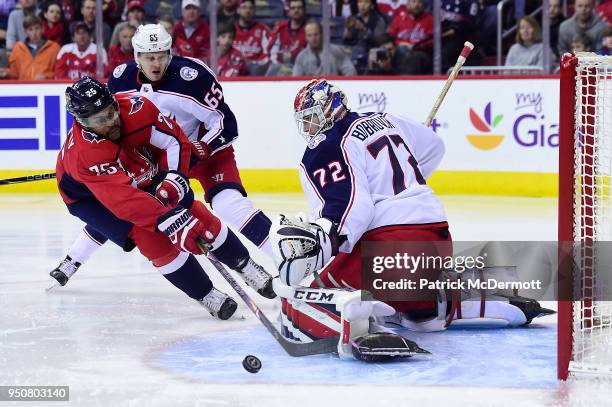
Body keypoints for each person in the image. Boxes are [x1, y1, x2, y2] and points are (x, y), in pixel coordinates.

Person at [269, 79, 553, 351]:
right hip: (438, 238)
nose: (308, 126)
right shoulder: (384, 118)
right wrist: (404, 186)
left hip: (392, 247)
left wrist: (325, 241)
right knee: (420, 320)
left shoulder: (326, 147)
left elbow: (353, 209)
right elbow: (434, 146)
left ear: (331, 108)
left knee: (306, 305)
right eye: (304, 119)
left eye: (311, 117)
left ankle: (368, 320)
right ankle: (435, 302)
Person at [50, 24, 276, 289]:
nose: (156, 63)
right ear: (136, 56)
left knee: (229, 206)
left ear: (171, 52)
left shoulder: (194, 76)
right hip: (157, 157)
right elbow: (110, 130)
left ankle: (280, 260)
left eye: (161, 55)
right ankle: (74, 259)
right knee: (123, 203)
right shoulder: (121, 79)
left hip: (204, 151)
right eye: (148, 56)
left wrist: (202, 146)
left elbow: (226, 124)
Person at [0, 15, 59, 80]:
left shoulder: (54, 48)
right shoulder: (18, 48)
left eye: (37, 28)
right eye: (30, 29)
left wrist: (46, 77)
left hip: (46, 87)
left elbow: (58, 72)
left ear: (42, 29)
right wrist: (7, 73)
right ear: (25, 32)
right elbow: (15, 73)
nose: (34, 33)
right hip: (24, 88)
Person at [292, 21, 357, 76]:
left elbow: (351, 72)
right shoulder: (301, 56)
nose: (313, 39)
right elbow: (295, 80)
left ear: (322, 34)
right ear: (306, 37)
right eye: (309, 35)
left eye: (316, 34)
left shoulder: (335, 51)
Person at [266, 0, 306, 76]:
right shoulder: (280, 27)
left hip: (301, 67)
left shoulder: (309, 28)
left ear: (304, 10)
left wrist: (293, 56)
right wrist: (280, 57)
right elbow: (271, 49)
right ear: (289, 11)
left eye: (299, 8)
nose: (296, 10)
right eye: (293, 8)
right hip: (280, 66)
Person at [233, 0, 271, 75]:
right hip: (234, 69)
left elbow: (267, 55)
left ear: (254, 10)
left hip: (256, 71)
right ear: (238, 10)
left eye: (251, 8)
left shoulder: (263, 29)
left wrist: (253, 63)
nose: (248, 10)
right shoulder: (231, 29)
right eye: (244, 7)